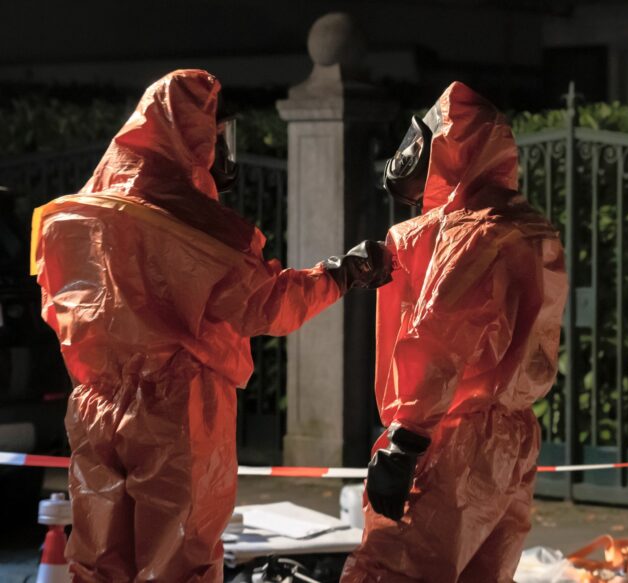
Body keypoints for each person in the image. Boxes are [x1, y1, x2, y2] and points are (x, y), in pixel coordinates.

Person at [31, 69, 393, 582]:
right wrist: (341, 274)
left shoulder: (73, 215)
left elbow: (59, 306)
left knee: (98, 558)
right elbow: (266, 305)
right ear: (193, 138)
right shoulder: (197, 226)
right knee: (178, 560)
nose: (223, 152)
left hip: (94, 406)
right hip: (176, 411)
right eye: (217, 137)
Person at [341, 82, 568, 583]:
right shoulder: (533, 230)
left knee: (393, 570)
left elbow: (439, 335)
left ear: (450, 151)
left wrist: (406, 438)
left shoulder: (469, 233)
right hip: (513, 437)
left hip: (451, 437)